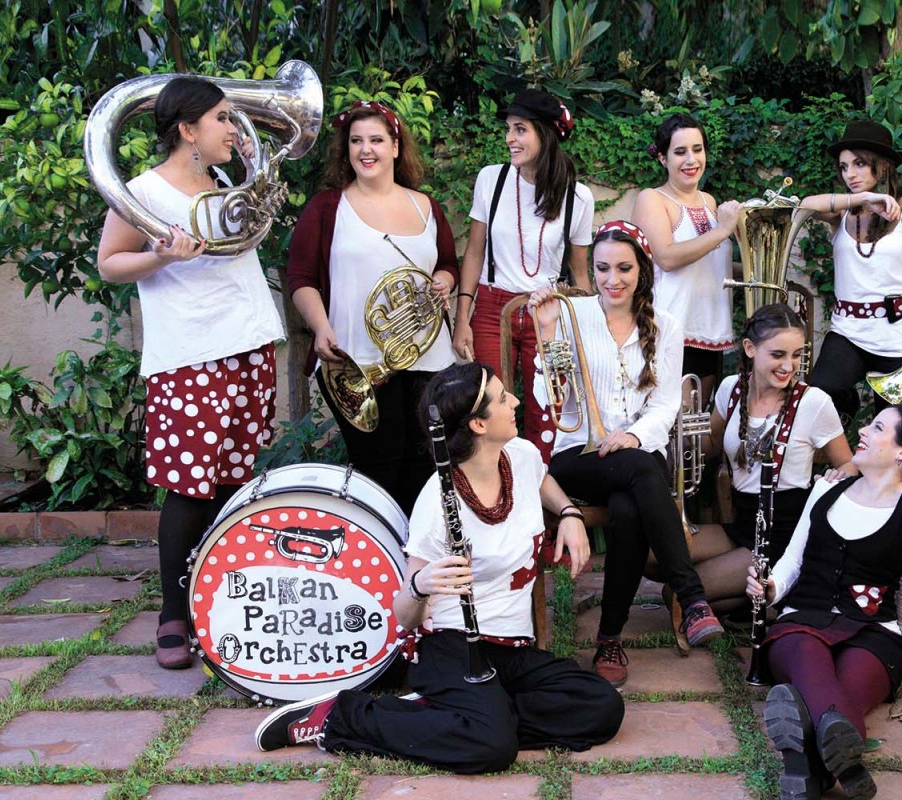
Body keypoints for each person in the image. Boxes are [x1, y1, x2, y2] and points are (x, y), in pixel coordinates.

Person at [253, 362, 623, 772]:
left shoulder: (520, 455)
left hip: (512, 648)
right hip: (454, 646)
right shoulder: (436, 502)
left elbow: (541, 480)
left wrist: (569, 512)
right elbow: (405, 616)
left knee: (602, 706)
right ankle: (337, 718)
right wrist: (420, 585)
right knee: (493, 748)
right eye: (504, 398)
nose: (515, 402)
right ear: (479, 425)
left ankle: (461, 717)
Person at [95, 76, 285, 669]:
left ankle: (219, 600)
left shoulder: (224, 183)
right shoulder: (144, 191)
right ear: (187, 129)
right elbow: (109, 264)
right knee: (188, 488)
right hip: (191, 355)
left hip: (248, 343)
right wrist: (159, 255)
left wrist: (256, 173)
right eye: (222, 118)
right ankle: (173, 615)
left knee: (232, 481)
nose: (233, 128)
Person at [528, 220, 724, 688]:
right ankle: (691, 597)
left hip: (638, 454)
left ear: (642, 270)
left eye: (623, 268)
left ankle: (610, 640)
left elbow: (665, 404)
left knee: (629, 508)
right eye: (601, 269)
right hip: (579, 454)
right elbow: (549, 399)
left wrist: (634, 436)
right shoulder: (572, 314)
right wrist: (549, 332)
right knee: (639, 473)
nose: (611, 279)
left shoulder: (666, 325)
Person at [748, 405, 902, 800]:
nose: (863, 430)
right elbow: (793, 560)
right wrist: (770, 589)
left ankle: (807, 768)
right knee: (811, 662)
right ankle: (848, 767)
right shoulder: (826, 490)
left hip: (875, 631)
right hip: (802, 622)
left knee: (845, 687)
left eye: (877, 427)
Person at [286, 100, 458, 516]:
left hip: (428, 358)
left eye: (377, 140)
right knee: (377, 467)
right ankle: (377, 551)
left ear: (396, 147)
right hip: (354, 360)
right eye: (356, 141)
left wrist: (445, 281)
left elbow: (448, 264)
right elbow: (300, 278)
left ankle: (416, 553)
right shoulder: (327, 207)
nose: (366, 150)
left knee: (425, 466)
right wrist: (320, 326)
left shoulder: (425, 206)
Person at [681, 304, 853, 615]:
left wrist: (835, 479)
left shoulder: (814, 402)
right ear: (750, 348)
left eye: (797, 355)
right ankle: (752, 598)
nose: (789, 366)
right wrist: (679, 426)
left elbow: (848, 465)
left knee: (678, 591)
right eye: (778, 355)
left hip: (782, 536)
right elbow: (711, 444)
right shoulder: (731, 388)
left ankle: (770, 587)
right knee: (655, 555)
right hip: (741, 523)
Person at [452, 89, 595, 462]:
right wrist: (462, 317)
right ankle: (494, 490)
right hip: (491, 308)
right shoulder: (492, 179)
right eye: (508, 129)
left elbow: (580, 273)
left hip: (548, 313)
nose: (509, 139)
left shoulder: (578, 197)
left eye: (520, 129)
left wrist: (588, 333)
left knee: (547, 415)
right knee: (488, 411)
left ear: (544, 134)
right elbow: (474, 251)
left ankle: (542, 495)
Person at [798, 119, 902, 427]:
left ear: (882, 166)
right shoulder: (842, 211)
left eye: (859, 164)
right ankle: (847, 414)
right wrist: (863, 199)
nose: (850, 174)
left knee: (896, 428)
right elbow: (803, 206)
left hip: (897, 335)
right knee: (818, 395)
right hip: (847, 332)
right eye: (844, 167)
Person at [631, 112, 739, 395]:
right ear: (662, 158)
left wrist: (756, 269)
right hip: (669, 330)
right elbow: (666, 257)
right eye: (680, 152)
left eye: (697, 149)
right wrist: (723, 230)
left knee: (698, 420)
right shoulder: (652, 199)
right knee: (673, 418)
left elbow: (709, 263)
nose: (691, 160)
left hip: (710, 330)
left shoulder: (709, 201)